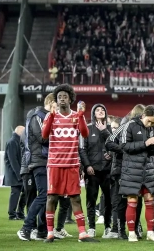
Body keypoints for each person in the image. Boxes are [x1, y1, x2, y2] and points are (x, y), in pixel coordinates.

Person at [40, 84, 98, 243]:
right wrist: (51, 116)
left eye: (65, 97)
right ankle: (50, 233)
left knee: (75, 198)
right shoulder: (51, 116)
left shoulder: (77, 115)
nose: (62, 99)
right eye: (59, 97)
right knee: (52, 198)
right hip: (55, 164)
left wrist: (81, 115)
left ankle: (82, 234)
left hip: (72, 164)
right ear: (56, 100)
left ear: (70, 99)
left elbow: (85, 134)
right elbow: (44, 135)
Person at [18, 93, 73, 241]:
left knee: (49, 196)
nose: (59, 108)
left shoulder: (47, 116)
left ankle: (42, 230)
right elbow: (43, 137)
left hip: (48, 161)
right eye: (57, 104)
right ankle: (26, 228)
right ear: (50, 102)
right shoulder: (38, 116)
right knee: (43, 195)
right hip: (40, 161)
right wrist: (60, 135)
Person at [120, 105, 154, 242]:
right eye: (149, 121)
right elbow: (124, 146)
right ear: (143, 115)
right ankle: (132, 233)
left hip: (148, 170)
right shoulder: (130, 125)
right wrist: (145, 143)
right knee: (132, 201)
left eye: (153, 123)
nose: (150, 124)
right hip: (132, 170)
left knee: (150, 200)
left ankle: (150, 232)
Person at [106, 104, 145, 240]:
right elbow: (109, 142)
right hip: (121, 169)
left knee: (137, 200)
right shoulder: (124, 127)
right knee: (122, 201)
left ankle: (132, 229)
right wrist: (124, 149)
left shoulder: (144, 130)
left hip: (135, 169)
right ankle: (120, 230)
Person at [79, 103, 112, 238]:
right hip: (92, 172)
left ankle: (108, 227)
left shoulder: (110, 129)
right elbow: (82, 149)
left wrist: (110, 154)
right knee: (91, 200)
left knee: (109, 200)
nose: (100, 111)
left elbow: (115, 145)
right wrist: (87, 166)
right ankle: (91, 227)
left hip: (107, 170)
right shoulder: (87, 129)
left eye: (102, 109)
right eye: (97, 110)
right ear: (93, 114)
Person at [4, 126, 26, 220]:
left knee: (26, 192)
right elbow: (13, 161)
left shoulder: (17, 141)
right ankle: (12, 214)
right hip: (15, 174)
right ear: (20, 132)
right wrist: (19, 174)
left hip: (19, 173)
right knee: (15, 193)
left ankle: (20, 213)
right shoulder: (12, 142)